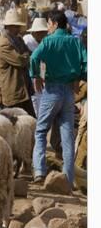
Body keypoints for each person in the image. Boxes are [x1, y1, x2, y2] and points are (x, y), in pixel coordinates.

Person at [30, 11, 87, 186]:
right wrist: (79, 77)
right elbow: (86, 63)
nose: (48, 27)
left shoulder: (48, 41)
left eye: (48, 24)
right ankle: (68, 179)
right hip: (69, 92)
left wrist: (36, 76)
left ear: (54, 24)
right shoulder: (75, 42)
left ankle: (39, 170)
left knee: (40, 131)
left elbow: (34, 57)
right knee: (67, 136)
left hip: (51, 90)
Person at [0, 9, 35, 117]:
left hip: (22, 88)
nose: (18, 29)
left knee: (29, 121)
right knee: (14, 123)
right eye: (16, 26)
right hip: (13, 90)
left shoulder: (17, 39)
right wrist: (26, 56)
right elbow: (20, 61)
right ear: (9, 26)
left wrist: (25, 55)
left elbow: (27, 53)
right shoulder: (3, 42)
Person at [23, 17, 49, 115]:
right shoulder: (26, 40)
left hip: (39, 75)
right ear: (34, 32)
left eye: (44, 32)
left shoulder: (46, 42)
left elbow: (44, 61)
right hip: (29, 74)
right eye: (40, 32)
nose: (42, 35)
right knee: (34, 97)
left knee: (40, 96)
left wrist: (41, 76)